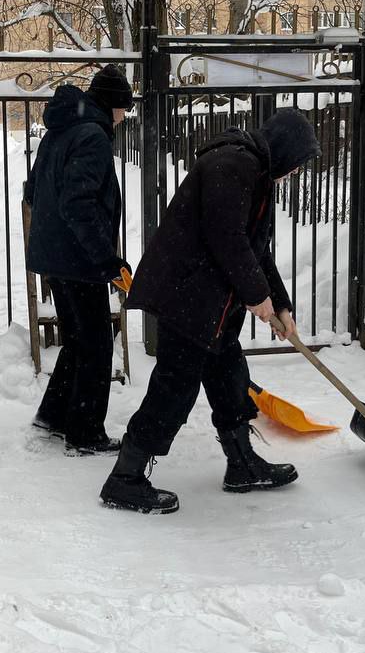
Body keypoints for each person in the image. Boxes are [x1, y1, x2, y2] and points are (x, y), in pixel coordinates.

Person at [100, 109, 321, 514]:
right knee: (174, 387)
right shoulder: (233, 164)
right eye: (298, 164)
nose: (294, 174)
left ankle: (242, 464)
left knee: (228, 376)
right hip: (189, 298)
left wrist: (281, 304)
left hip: (210, 303)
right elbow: (227, 238)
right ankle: (125, 478)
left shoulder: (254, 172)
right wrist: (256, 296)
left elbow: (255, 248)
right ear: (286, 151)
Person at [24, 64, 133, 455]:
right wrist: (106, 259)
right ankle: (85, 433)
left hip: (55, 256)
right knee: (97, 345)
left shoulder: (61, 130)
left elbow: (33, 191)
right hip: (78, 260)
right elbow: (79, 205)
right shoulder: (93, 137)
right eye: (124, 109)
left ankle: (53, 416)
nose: (123, 118)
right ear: (113, 105)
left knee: (76, 341)